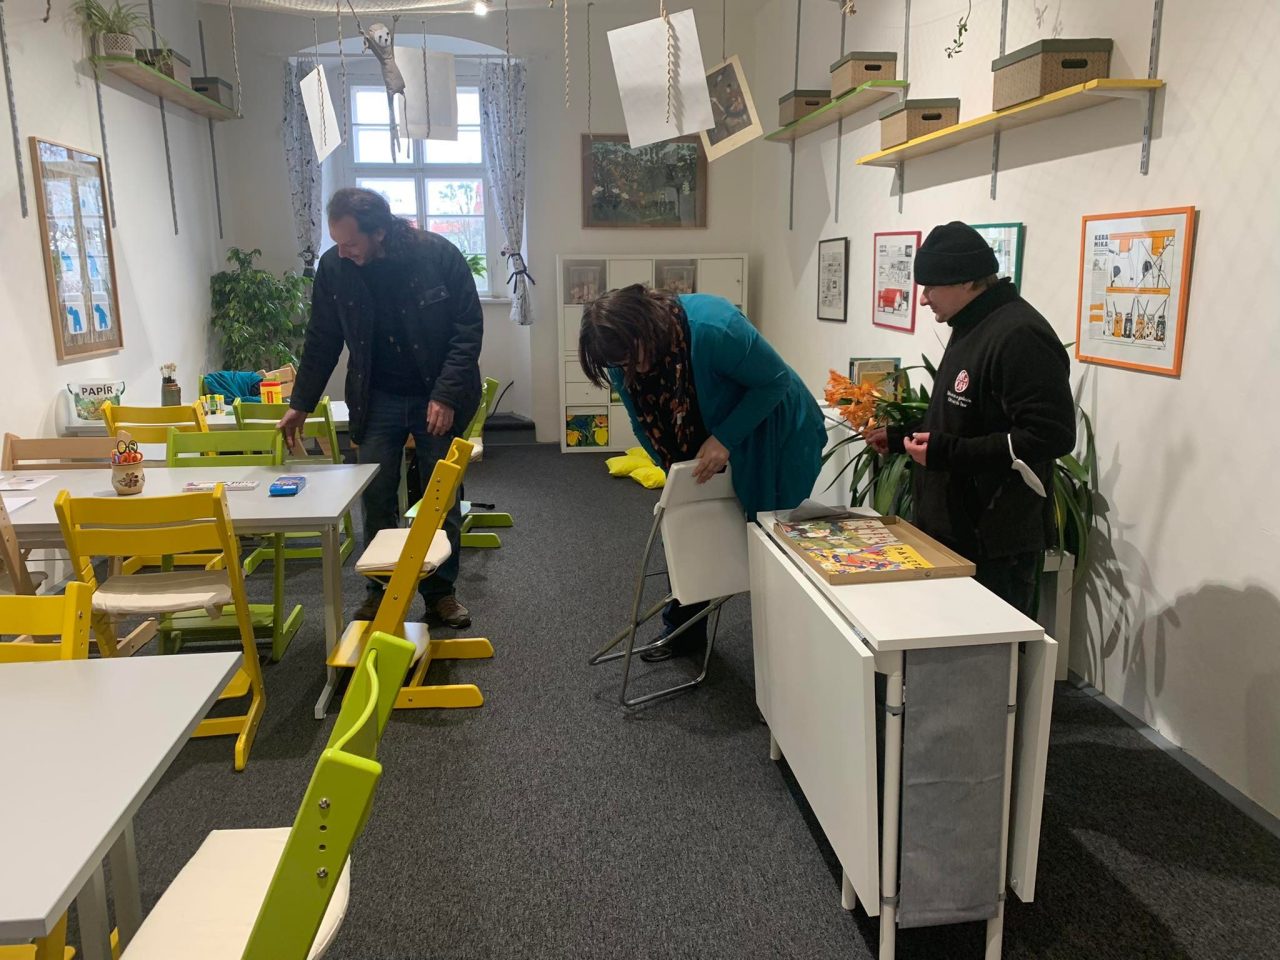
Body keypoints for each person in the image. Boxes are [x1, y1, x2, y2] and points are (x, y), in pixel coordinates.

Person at [579, 285, 826, 660]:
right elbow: (642, 423)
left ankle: (790, 651)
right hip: (709, 429)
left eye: (634, 358)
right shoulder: (620, 357)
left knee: (771, 539)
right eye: (621, 365)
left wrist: (725, 438)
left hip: (778, 430)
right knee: (688, 527)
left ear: (645, 327)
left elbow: (775, 380)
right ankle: (684, 633)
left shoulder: (715, 327)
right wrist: (675, 473)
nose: (634, 370)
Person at [280, 187, 483, 628]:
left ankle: (440, 594)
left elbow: (467, 332)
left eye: (351, 242)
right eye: (337, 241)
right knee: (375, 498)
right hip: (376, 399)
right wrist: (301, 403)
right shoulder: (334, 268)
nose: (343, 251)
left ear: (380, 231)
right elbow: (322, 339)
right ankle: (380, 591)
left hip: (436, 393)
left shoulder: (437, 255)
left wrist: (446, 395)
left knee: (440, 499)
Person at [865, 221, 1076, 615]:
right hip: (952, 530)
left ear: (965, 281)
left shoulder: (1020, 334)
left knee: (989, 650)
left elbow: (1052, 435)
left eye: (930, 287)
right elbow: (965, 417)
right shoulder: (970, 324)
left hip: (994, 540)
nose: (923, 300)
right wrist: (901, 437)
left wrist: (948, 453)